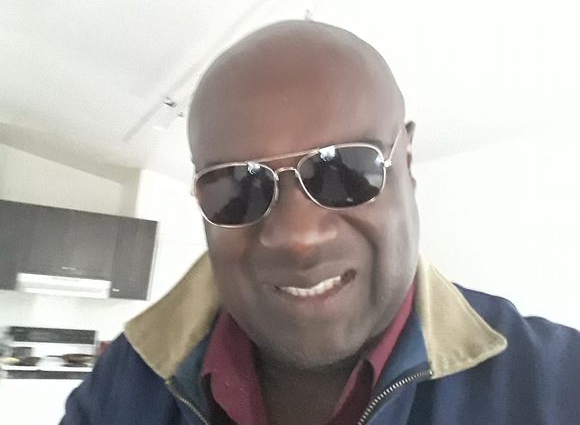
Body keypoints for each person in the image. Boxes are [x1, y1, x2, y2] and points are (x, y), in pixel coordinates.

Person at [62, 21, 580, 424]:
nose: (298, 237)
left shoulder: (557, 388)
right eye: (238, 186)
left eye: (345, 170)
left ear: (406, 164)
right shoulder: (122, 387)